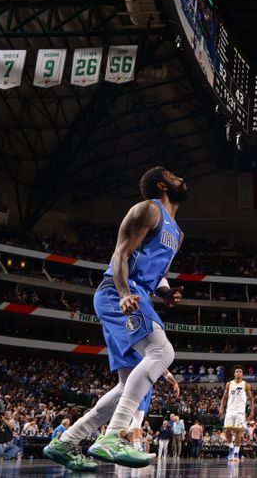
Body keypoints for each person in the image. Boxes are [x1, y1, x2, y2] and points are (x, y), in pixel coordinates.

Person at [43, 167, 187, 471]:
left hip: (138, 293)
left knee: (127, 386)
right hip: (118, 292)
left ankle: (66, 440)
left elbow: (157, 272)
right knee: (162, 352)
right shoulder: (148, 210)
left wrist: (164, 292)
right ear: (161, 185)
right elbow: (120, 254)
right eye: (174, 175)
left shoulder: (178, 232)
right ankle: (114, 436)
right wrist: (123, 293)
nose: (181, 179)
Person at [220, 366, 254, 462]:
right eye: (237, 371)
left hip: (240, 411)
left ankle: (236, 452)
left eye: (240, 372)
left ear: (242, 374)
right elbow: (224, 397)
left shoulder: (246, 385)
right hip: (230, 410)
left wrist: (251, 412)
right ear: (234, 374)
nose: (238, 373)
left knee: (238, 432)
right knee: (227, 430)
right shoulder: (229, 384)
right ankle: (231, 447)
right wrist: (221, 407)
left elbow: (251, 399)